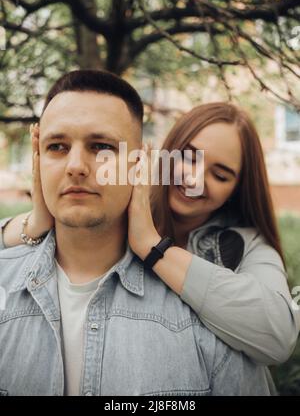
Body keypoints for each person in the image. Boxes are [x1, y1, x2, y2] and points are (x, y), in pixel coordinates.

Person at [0, 70, 272, 396]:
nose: (76, 165)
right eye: (57, 146)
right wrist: (32, 225)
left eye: (101, 147)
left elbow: (276, 335)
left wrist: (151, 247)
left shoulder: (209, 314)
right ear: (38, 158)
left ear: (139, 163)